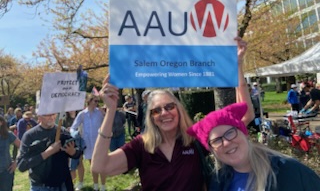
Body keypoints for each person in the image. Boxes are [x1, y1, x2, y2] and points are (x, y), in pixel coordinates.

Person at [91, 37, 254, 190]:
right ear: (151, 117)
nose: (164, 113)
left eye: (169, 107)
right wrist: (111, 110)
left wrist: (237, 67)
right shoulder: (141, 145)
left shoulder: (194, 137)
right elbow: (99, 167)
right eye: (157, 110)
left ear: (179, 109)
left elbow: (246, 115)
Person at [187, 102, 320, 191]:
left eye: (230, 133)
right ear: (212, 150)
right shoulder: (218, 182)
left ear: (244, 133)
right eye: (217, 140)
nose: (226, 142)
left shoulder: (290, 172)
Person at [17, 112, 81, 191]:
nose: (51, 117)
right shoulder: (30, 135)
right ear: (39, 117)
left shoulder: (63, 131)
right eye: (47, 114)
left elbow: (77, 153)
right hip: (41, 186)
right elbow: (21, 165)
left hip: (62, 185)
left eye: (53, 114)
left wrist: (73, 152)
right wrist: (47, 153)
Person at [70, 94, 106, 191]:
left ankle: (103, 186)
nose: (97, 103)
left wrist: (104, 114)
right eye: (95, 101)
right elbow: (73, 127)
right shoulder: (82, 114)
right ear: (89, 101)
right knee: (93, 164)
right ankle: (95, 185)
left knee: (102, 164)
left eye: (98, 101)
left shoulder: (99, 112)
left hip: (99, 141)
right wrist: (75, 134)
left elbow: (107, 123)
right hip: (88, 143)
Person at [0, 115, 20, 191]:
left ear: (1, 123)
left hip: (6, 172)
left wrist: (16, 162)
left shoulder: (8, 135)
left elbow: (22, 147)